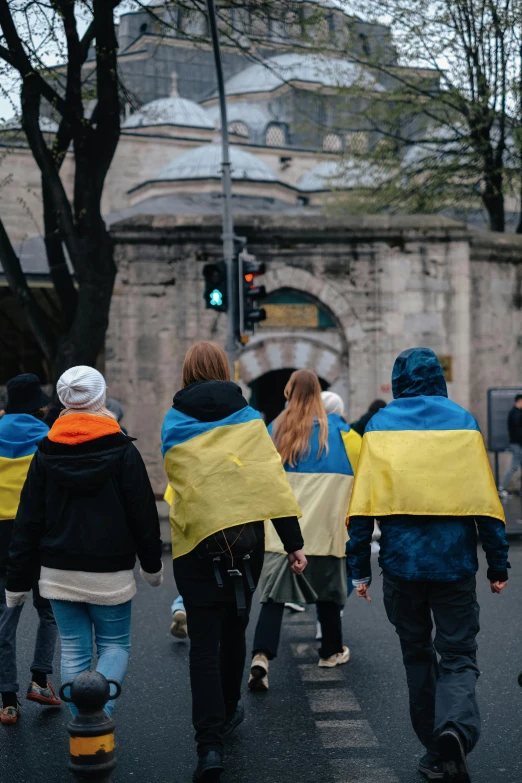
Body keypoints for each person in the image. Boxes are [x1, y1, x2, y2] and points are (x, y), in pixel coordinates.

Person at [346, 348, 509, 783]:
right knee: (457, 655)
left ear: (398, 380)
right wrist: (497, 565)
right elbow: (485, 504)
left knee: (416, 655)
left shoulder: (380, 426)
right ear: (439, 378)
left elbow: (363, 507)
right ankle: (454, 727)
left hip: (402, 564)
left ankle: (436, 747)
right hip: (454, 564)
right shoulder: (463, 423)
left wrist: (359, 567)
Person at [161, 341, 305, 782]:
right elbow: (270, 483)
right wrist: (293, 542)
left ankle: (209, 747)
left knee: (203, 646)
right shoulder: (248, 419)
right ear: (224, 369)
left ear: (187, 372)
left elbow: (179, 477)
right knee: (235, 629)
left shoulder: (174, 420)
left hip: (195, 543)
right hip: (245, 543)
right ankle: (226, 711)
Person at [6, 366, 163, 718]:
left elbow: (28, 521)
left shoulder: (44, 453)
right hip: (111, 571)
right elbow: (143, 514)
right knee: (114, 646)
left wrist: (16, 583)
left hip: (57, 572)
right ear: (101, 397)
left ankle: (82, 725)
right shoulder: (123, 450)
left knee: (74, 651)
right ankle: (99, 717)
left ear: (63, 401)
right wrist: (152, 566)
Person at [249, 370, 362, 692]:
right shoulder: (341, 433)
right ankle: (330, 652)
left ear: (287, 392)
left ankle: (261, 655)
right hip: (327, 531)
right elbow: (362, 476)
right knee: (329, 594)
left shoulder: (275, 430)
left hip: (282, 534)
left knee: (272, 598)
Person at [0, 374, 59, 725]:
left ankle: (7, 700)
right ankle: (40, 680)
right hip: (38, 536)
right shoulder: (46, 439)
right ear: (37, 406)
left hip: (0, 541)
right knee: (47, 610)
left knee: (6, 619)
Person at [498, 393, 522, 497]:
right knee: (514, 467)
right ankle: (501, 487)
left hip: (518, 444)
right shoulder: (515, 413)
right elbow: (518, 431)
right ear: (519, 401)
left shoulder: (517, 413)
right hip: (517, 444)